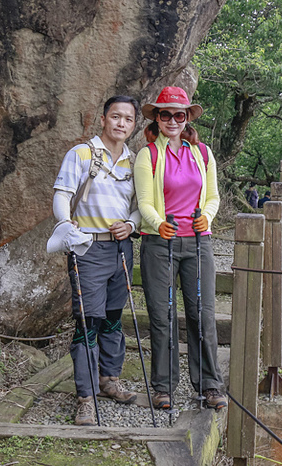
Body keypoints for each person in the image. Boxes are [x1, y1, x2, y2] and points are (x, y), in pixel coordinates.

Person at [133, 86, 228, 411]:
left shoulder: (202, 153)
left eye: (179, 114)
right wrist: (159, 223)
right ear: (157, 118)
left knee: (202, 315)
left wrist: (208, 217)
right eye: (165, 114)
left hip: (198, 243)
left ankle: (210, 385)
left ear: (187, 118)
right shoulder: (149, 154)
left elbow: (213, 196)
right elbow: (144, 202)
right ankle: (164, 387)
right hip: (159, 244)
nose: (172, 120)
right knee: (162, 316)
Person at [51, 95, 142, 426]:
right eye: (115, 116)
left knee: (113, 318)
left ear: (134, 126)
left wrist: (131, 224)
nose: (121, 123)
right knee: (88, 321)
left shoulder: (136, 162)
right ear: (102, 119)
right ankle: (85, 397)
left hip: (120, 248)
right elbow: (62, 194)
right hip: (87, 247)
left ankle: (109, 380)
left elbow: (138, 205)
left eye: (128, 119)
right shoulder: (81, 154)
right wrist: (66, 223)